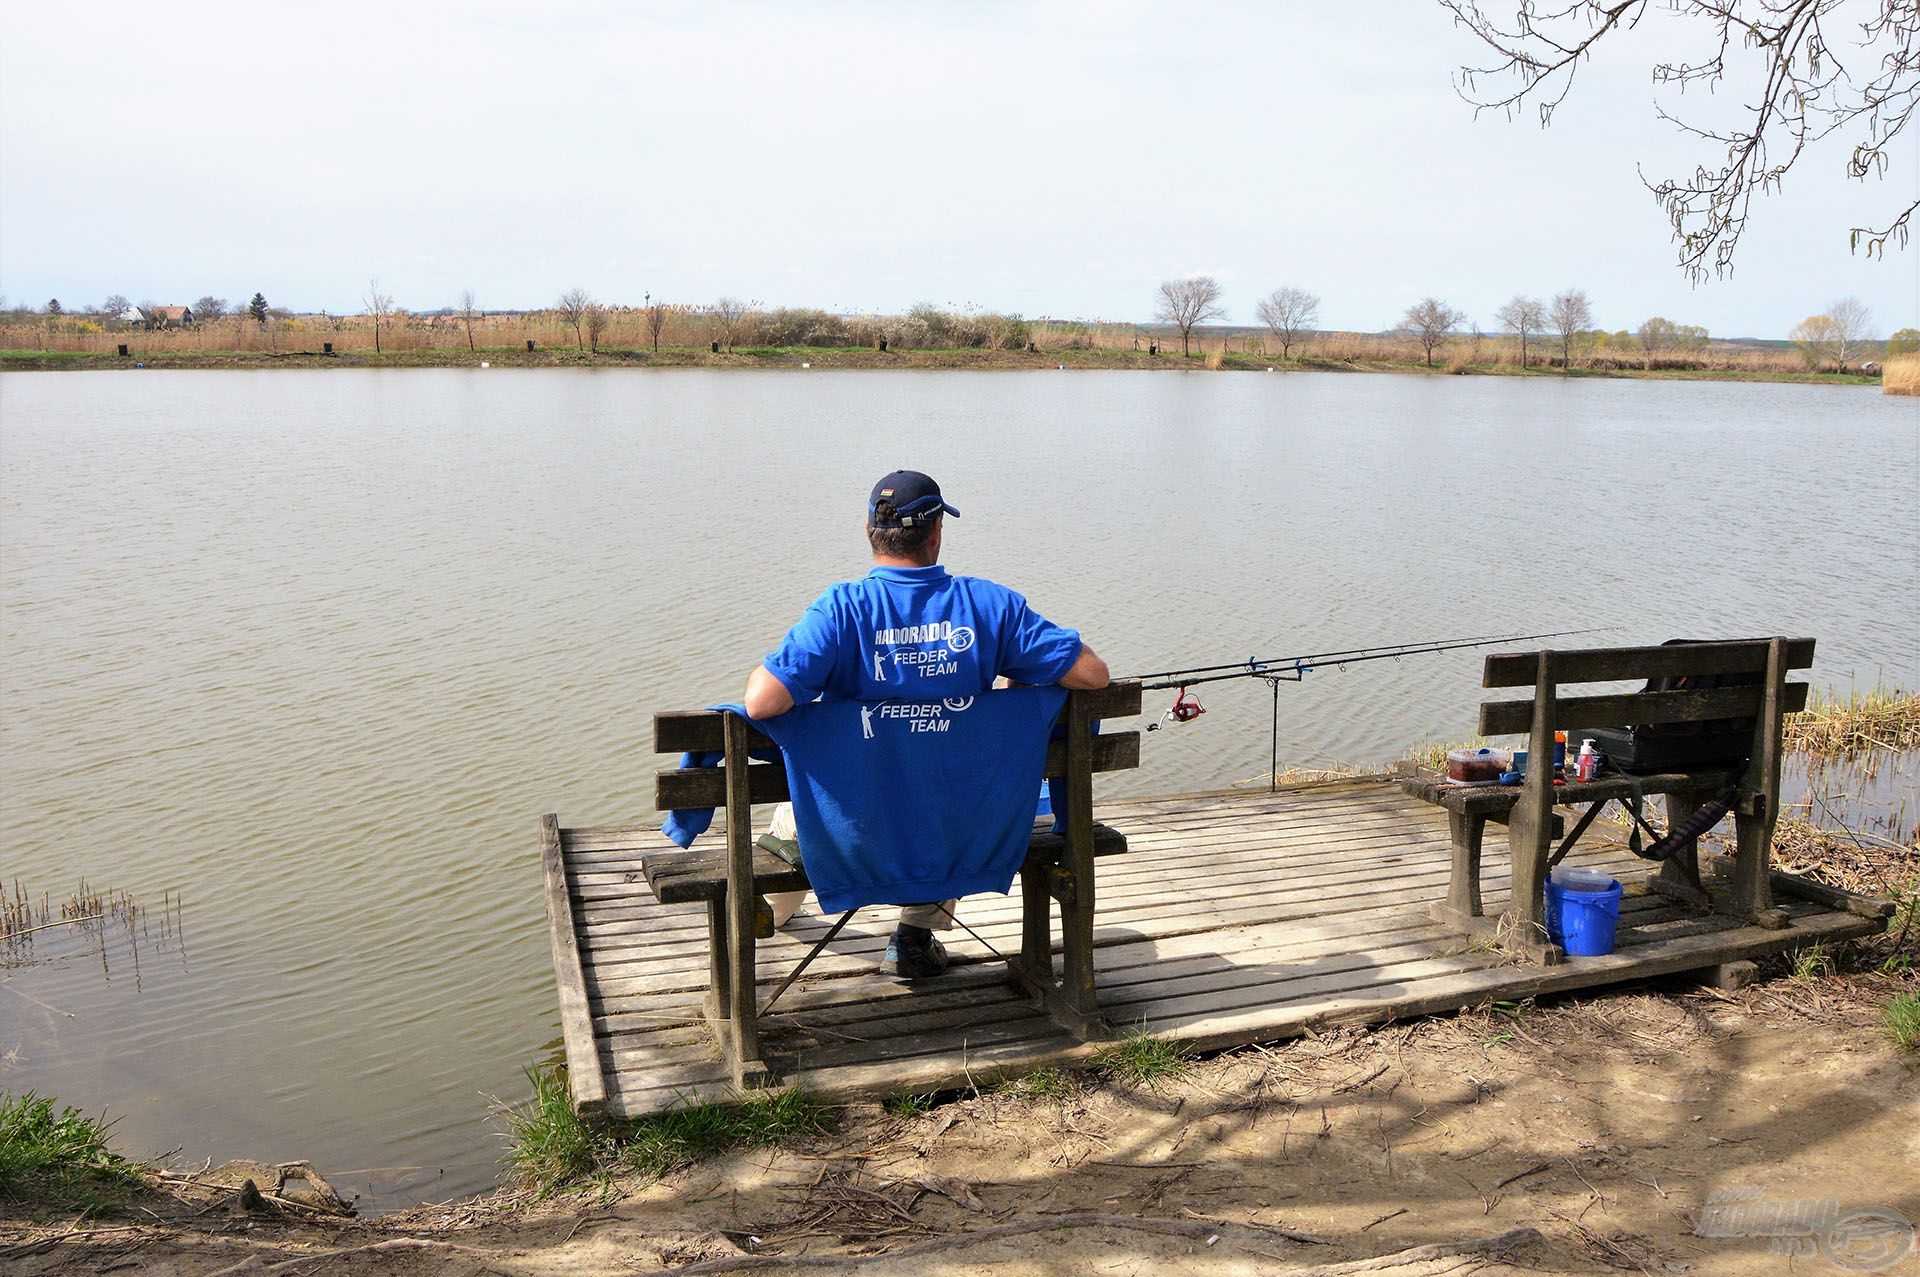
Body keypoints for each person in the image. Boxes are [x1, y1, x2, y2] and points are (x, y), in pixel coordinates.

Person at [744, 469, 1109, 978]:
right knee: (949, 787)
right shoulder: (990, 606)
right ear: (935, 531)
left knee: (811, 798)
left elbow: (761, 704)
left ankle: (768, 909)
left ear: (871, 532)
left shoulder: (841, 609)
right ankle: (913, 941)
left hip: (850, 829)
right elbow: (1093, 675)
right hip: (954, 829)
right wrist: (1010, 696)